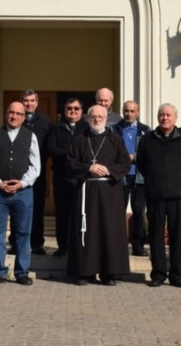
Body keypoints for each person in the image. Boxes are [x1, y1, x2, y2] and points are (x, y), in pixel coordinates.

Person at [66, 105, 132, 285]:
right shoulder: (80, 139)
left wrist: (108, 170)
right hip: (86, 191)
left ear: (106, 118)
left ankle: (109, 273)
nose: (96, 119)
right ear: (88, 119)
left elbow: (125, 163)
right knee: (86, 231)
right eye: (93, 117)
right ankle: (84, 272)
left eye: (100, 116)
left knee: (109, 231)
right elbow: (70, 163)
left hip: (110, 192)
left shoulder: (115, 139)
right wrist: (89, 168)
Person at [136, 103, 181, 288]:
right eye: (162, 114)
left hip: (178, 196)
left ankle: (177, 275)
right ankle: (158, 274)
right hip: (155, 196)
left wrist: (179, 182)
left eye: (168, 115)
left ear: (175, 118)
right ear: (157, 117)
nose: (165, 118)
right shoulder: (147, 139)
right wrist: (155, 180)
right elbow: (141, 164)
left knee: (177, 237)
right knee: (155, 237)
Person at [0, 102, 41, 285]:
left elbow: (36, 166)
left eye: (18, 114)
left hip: (23, 193)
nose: (14, 116)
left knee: (23, 233)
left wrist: (22, 183)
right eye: (11, 113)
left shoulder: (30, 136)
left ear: (24, 117)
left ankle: (22, 272)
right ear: (6, 114)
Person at [9, 89, 52, 255]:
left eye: (32, 100)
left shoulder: (45, 122)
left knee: (37, 208)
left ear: (37, 102)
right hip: (17, 172)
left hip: (38, 174)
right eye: (26, 101)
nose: (29, 104)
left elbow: (49, 146)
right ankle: (15, 243)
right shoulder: (15, 120)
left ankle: (37, 244)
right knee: (16, 208)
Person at [47, 98, 89, 257]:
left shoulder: (86, 128)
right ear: (64, 111)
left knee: (80, 213)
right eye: (69, 108)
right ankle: (63, 246)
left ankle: (78, 246)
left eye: (76, 108)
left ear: (81, 110)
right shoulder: (56, 127)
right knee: (62, 213)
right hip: (61, 176)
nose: (73, 111)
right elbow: (51, 147)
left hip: (81, 177)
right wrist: (69, 156)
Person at [110, 100, 151, 257]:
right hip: (120, 177)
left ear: (138, 112)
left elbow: (149, 152)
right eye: (126, 110)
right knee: (117, 211)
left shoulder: (145, 130)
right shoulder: (114, 129)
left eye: (132, 111)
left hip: (139, 177)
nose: (129, 113)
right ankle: (117, 245)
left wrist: (135, 155)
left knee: (139, 211)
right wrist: (123, 157)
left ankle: (138, 245)